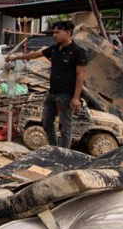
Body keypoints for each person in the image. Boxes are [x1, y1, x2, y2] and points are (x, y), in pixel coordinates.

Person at [6, 20, 87, 148]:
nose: (54, 35)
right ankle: (54, 148)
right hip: (52, 93)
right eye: (53, 32)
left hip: (66, 95)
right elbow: (35, 54)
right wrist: (15, 57)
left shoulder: (78, 51)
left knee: (65, 126)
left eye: (57, 32)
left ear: (67, 32)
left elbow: (80, 75)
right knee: (46, 122)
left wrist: (76, 97)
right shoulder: (54, 49)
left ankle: (63, 153)